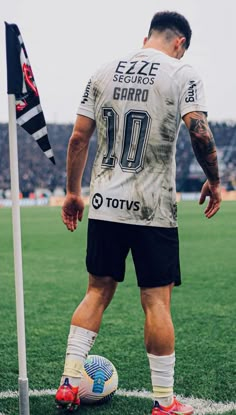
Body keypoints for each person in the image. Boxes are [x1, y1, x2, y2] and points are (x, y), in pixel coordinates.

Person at [55, 11, 221, 415]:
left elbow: (79, 137)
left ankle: (68, 383)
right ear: (179, 43)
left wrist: (74, 192)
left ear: (146, 36)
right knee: (156, 303)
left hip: (104, 203)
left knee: (96, 291)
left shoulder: (103, 70)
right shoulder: (182, 73)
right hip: (153, 208)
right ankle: (165, 403)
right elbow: (199, 130)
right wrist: (215, 180)